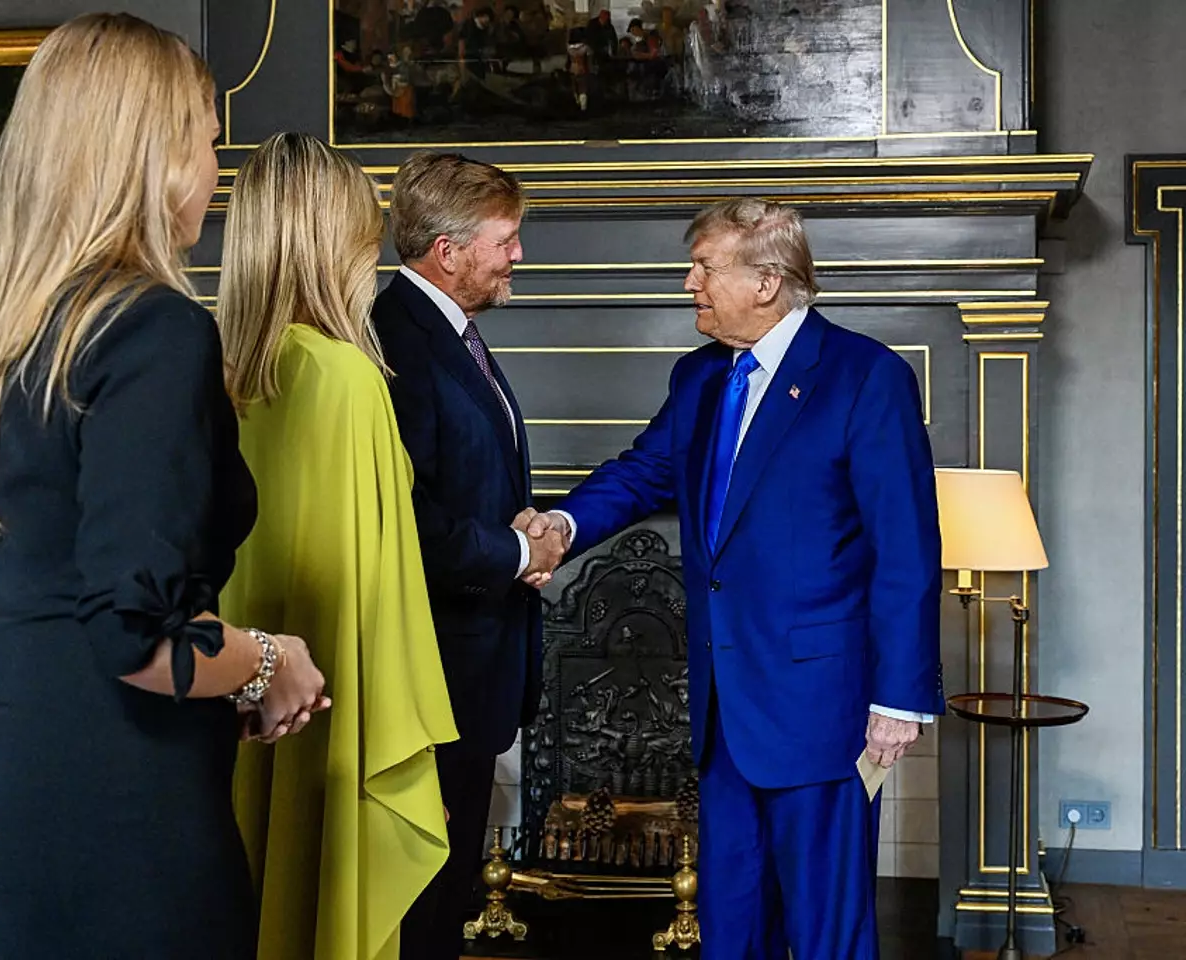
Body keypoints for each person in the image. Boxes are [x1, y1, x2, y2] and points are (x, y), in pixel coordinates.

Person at [0, 15, 327, 959]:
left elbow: (55, 592)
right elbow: (133, 633)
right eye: (209, 141)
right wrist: (271, 662)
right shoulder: (154, 329)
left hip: (10, 778)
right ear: (155, 156)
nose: (216, 171)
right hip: (118, 809)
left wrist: (227, 678)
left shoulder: (14, 330)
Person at [522, 197, 944, 960]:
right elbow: (643, 472)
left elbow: (906, 545)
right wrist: (561, 526)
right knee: (731, 924)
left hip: (824, 707)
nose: (689, 283)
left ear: (766, 281)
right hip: (723, 710)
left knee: (826, 931)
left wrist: (899, 699)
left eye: (704, 267)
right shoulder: (700, 376)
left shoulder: (865, 376)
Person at [219, 131, 457, 960]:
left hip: (228, 694)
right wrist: (411, 748)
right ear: (336, 246)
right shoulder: (347, 378)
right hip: (329, 704)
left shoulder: (217, 372)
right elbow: (385, 588)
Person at [372, 151, 563, 960]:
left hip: (470, 669)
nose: (518, 254)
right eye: (506, 238)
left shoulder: (451, 334)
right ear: (448, 251)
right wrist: (518, 549)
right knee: (424, 904)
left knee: (445, 901)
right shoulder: (399, 343)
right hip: (434, 676)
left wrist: (523, 535)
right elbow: (407, 521)